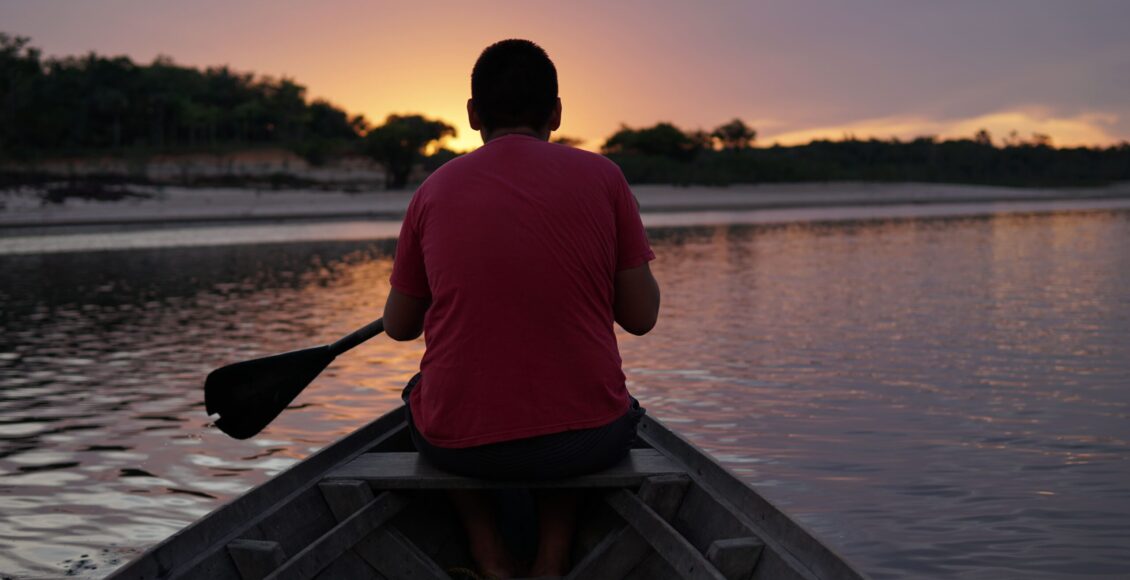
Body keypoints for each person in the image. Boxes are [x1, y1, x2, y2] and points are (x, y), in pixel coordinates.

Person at [382, 38, 660, 578]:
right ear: (556, 113)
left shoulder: (432, 191)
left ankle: (489, 555)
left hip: (460, 446)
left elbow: (398, 327)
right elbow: (641, 318)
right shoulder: (605, 178)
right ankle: (552, 558)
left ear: (472, 115)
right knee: (587, 399)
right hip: (585, 443)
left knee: (420, 392)